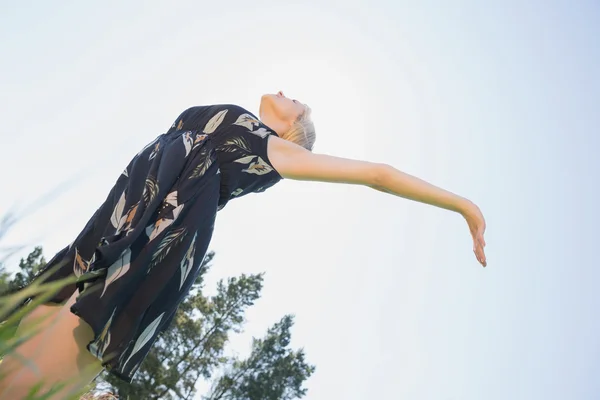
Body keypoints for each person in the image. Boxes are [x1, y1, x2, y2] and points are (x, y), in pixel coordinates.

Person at [0, 91, 487, 399]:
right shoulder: (232, 130)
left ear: (292, 129)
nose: (288, 92)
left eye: (297, 102)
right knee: (31, 333)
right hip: (123, 217)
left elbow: (376, 175)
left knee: (50, 355)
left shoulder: (277, 149)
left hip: (156, 238)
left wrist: (464, 206)